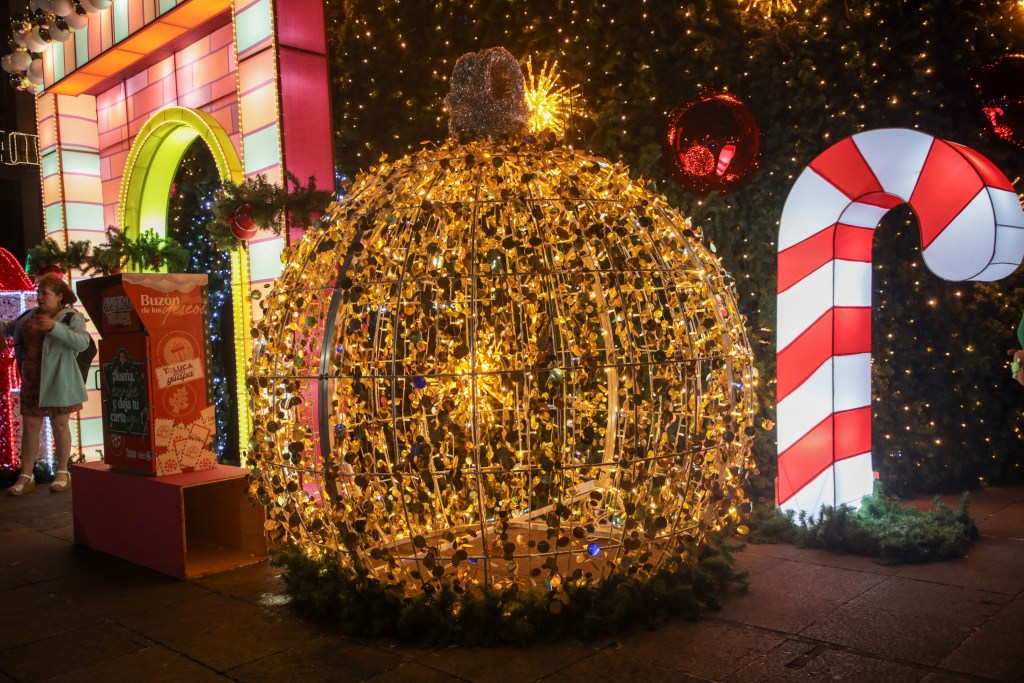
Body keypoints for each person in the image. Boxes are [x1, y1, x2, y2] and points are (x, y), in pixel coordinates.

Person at [2, 273, 90, 495]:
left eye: (45, 293)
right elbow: (8, 328)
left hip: (59, 380)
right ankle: (26, 475)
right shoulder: (29, 315)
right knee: (30, 427)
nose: (39, 297)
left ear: (59, 296)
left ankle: (62, 471)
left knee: (60, 425)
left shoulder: (71, 317)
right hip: (32, 380)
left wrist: (54, 327)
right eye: (38, 292)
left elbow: (82, 342)